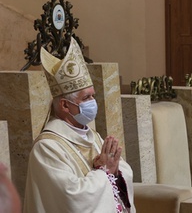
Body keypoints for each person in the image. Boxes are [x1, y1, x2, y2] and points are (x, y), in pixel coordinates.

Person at [24, 38, 135, 213]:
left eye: (92, 96)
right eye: (86, 98)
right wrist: (105, 171)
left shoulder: (94, 137)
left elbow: (123, 171)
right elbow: (72, 198)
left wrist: (114, 172)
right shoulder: (47, 148)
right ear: (65, 105)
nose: (92, 102)